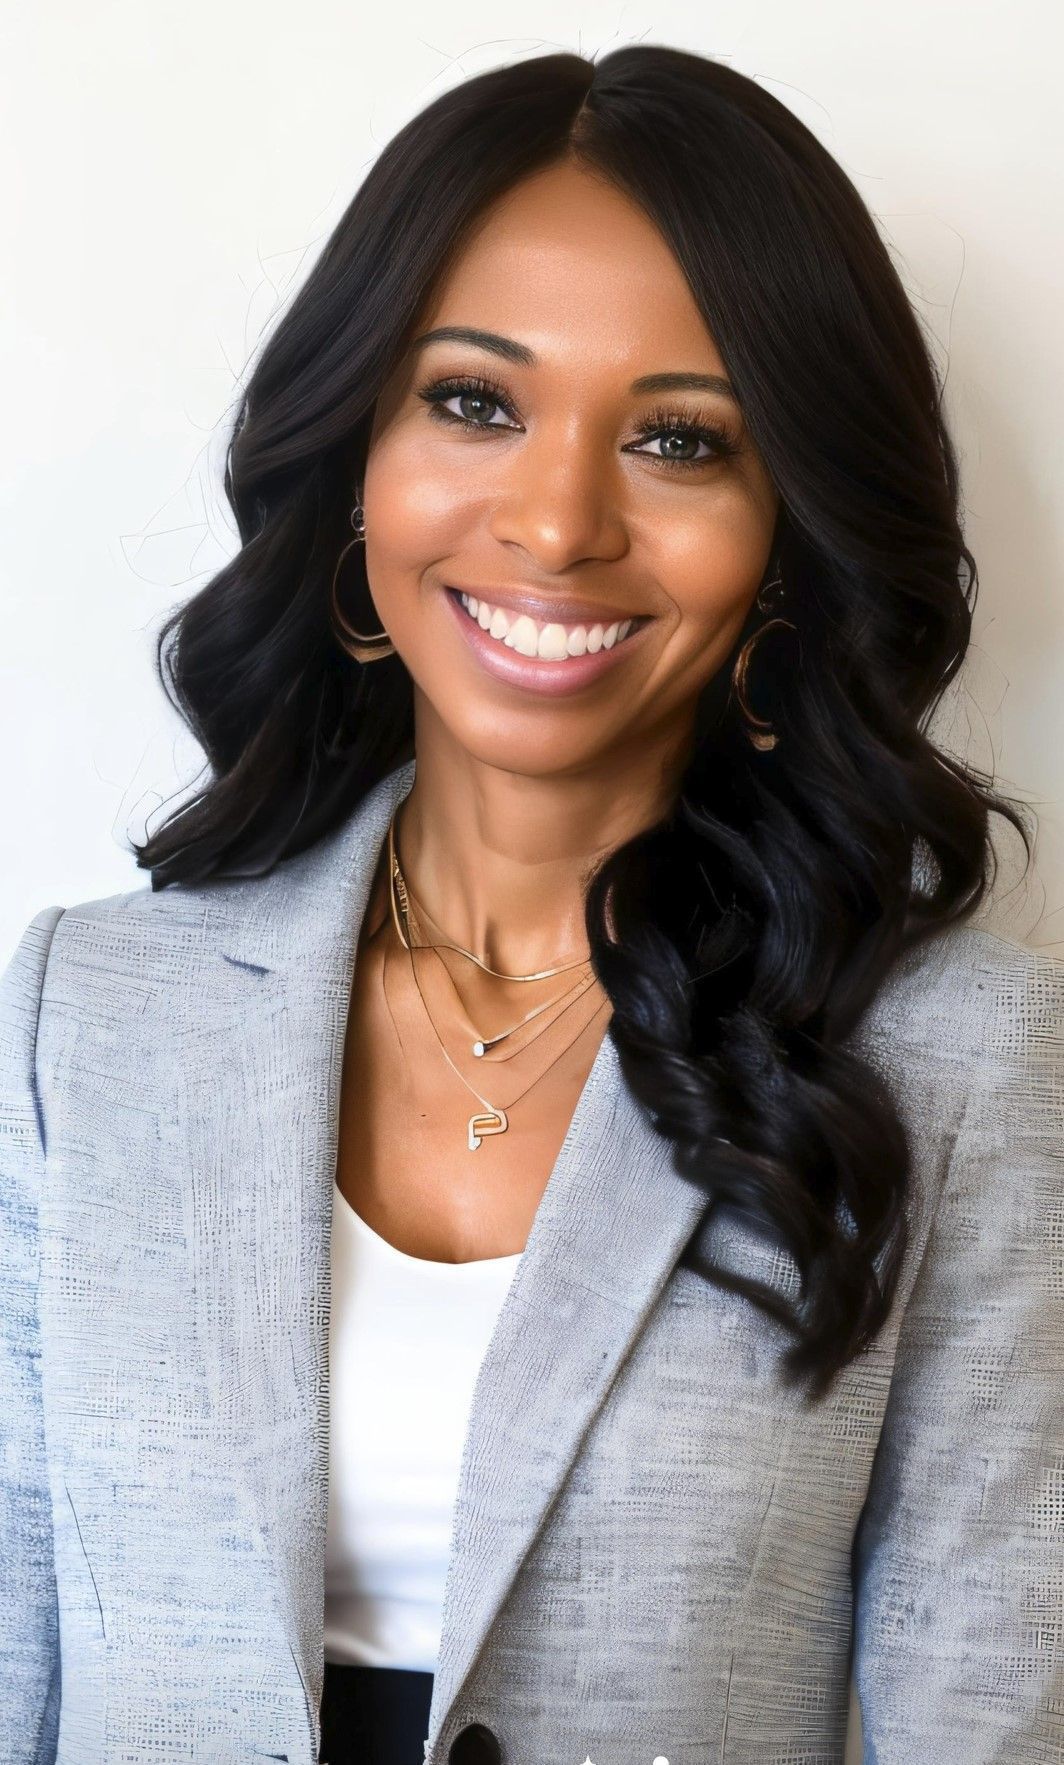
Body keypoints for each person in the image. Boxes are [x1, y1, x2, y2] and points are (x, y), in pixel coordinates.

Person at [2, 42, 1061, 1765]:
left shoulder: (955, 1062)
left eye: (678, 439)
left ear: (789, 532)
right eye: (475, 401)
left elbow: (993, 1716)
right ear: (358, 454)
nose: (559, 520)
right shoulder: (91, 1017)